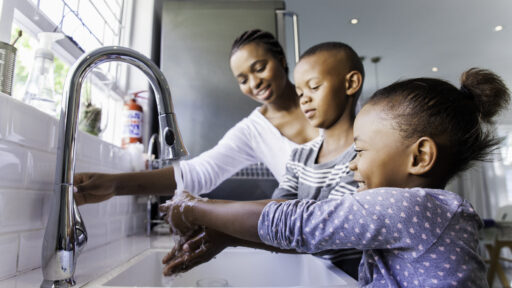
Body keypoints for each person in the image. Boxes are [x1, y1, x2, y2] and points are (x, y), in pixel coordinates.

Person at [162, 68, 510, 287]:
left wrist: (193, 206)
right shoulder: (421, 212)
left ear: (419, 157)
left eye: (360, 151)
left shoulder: (411, 207)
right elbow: (323, 237)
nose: (352, 165)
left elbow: (300, 223)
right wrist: (228, 237)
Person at [162, 41, 365, 278]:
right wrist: (227, 236)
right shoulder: (300, 158)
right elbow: (279, 222)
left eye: (314, 87)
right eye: (300, 93)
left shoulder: (365, 157)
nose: (304, 100)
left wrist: (196, 208)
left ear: (350, 83)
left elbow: (315, 227)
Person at [73, 29, 318, 205]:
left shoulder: (321, 96)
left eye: (260, 68)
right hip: (323, 246)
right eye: (243, 80)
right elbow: (199, 173)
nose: (254, 83)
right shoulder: (253, 131)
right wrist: (116, 184)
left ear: (282, 61)